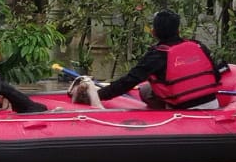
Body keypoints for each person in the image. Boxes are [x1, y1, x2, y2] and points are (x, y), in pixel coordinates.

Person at [74, 10, 224, 110]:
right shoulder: (198, 46)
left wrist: (95, 96)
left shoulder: (157, 55)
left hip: (183, 109)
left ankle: (160, 116)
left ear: (154, 33)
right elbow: (215, 76)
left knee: (145, 90)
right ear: (178, 30)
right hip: (212, 104)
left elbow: (128, 82)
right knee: (148, 88)